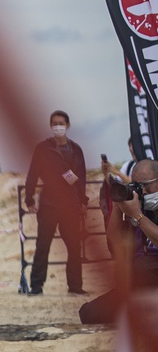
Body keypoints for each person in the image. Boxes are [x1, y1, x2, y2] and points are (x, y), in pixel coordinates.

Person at [79, 158, 158, 324]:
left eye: (146, 185)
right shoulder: (139, 207)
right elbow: (114, 242)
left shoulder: (139, 213)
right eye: (136, 186)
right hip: (136, 287)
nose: (142, 192)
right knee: (87, 313)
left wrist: (138, 216)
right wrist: (118, 206)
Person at [23, 110, 88, 296]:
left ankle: (75, 286)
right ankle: (36, 286)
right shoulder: (43, 148)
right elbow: (33, 174)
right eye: (55, 123)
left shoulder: (76, 149)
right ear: (51, 126)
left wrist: (82, 200)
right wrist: (29, 199)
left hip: (70, 204)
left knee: (74, 246)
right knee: (43, 245)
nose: (58, 126)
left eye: (61, 123)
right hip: (49, 203)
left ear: (67, 125)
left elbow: (81, 176)